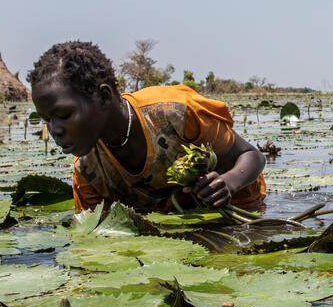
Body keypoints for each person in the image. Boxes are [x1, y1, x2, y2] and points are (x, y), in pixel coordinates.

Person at [29, 41, 266, 214]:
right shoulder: (88, 171)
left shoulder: (176, 113)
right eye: (46, 120)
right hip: (174, 220)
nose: (54, 130)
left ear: (103, 97)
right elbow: (95, 233)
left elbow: (252, 156)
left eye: (63, 115)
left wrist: (229, 183)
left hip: (239, 209)